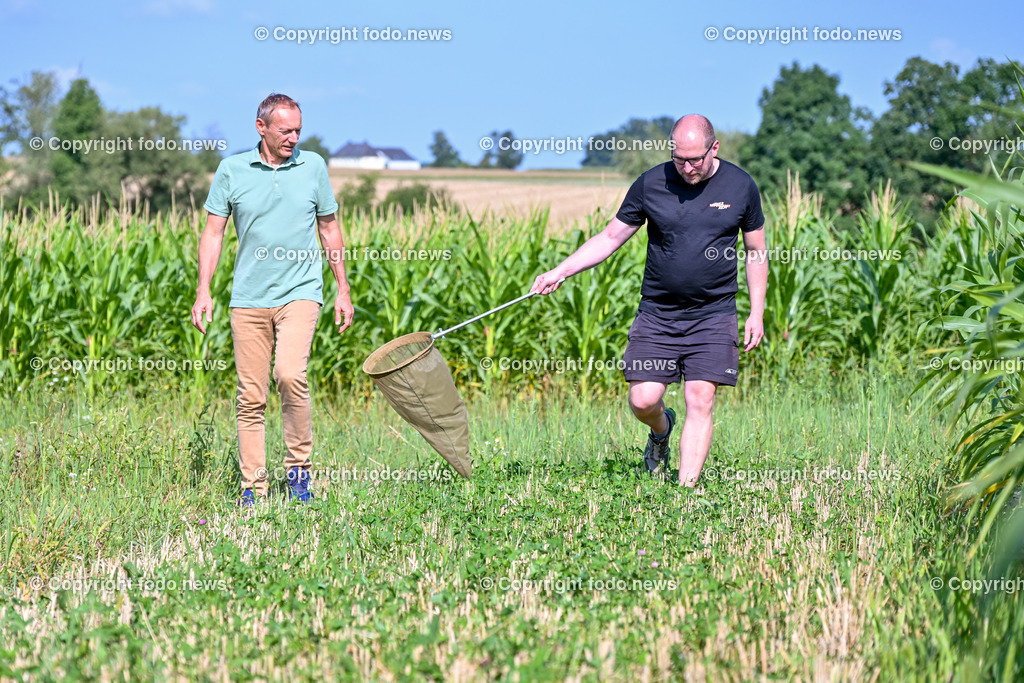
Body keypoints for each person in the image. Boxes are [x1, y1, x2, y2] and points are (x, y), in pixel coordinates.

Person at [531, 114, 767, 486]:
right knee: (642, 400)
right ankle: (661, 430)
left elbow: (756, 252)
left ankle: (685, 495)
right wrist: (560, 271)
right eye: (679, 159)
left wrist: (757, 312)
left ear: (714, 148)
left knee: (700, 398)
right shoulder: (652, 183)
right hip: (658, 313)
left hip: (713, 314)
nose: (687, 168)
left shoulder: (741, 186)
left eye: (695, 160)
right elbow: (610, 237)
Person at [190, 93, 354, 506]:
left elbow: (329, 229)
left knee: (290, 375)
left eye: (298, 130)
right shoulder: (232, 170)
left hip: (300, 292)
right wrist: (203, 290)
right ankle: (253, 487)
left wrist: (343, 289)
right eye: (286, 130)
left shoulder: (312, 166)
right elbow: (213, 233)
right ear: (260, 127)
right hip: (248, 298)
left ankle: (299, 474)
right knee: (251, 396)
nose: (294, 138)